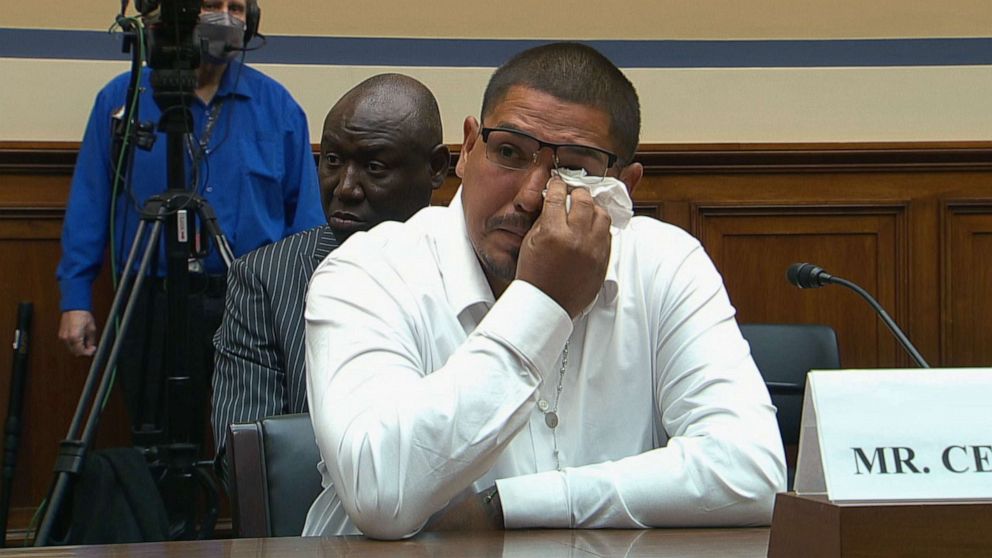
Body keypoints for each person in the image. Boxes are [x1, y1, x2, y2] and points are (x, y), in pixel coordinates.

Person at [303, 42, 786, 539]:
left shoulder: (666, 263)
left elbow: (751, 471)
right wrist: (543, 301)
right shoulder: (367, 271)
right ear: (469, 149)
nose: (532, 194)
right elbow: (381, 492)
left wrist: (510, 507)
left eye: (574, 167)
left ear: (623, 187)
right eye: (509, 152)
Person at [55, 0, 325, 437]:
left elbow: (307, 223)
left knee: (249, 442)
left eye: (236, 7)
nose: (224, 18)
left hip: (249, 304)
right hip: (150, 301)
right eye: (210, 5)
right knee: (153, 441)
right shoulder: (123, 101)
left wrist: (299, 311)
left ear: (251, 20)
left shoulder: (279, 108)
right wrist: (75, 297)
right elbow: (90, 202)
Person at [210, 73, 450, 473]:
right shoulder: (266, 278)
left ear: (437, 168)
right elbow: (245, 460)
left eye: (374, 167)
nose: (346, 188)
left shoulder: (474, 271)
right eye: (333, 161)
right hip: (314, 529)